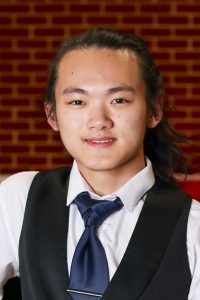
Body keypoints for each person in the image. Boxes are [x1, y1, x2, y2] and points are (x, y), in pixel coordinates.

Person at [0, 28, 200, 300]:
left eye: (118, 100)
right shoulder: (20, 198)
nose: (98, 120)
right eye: (77, 101)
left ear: (154, 110)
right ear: (52, 115)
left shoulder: (193, 228)